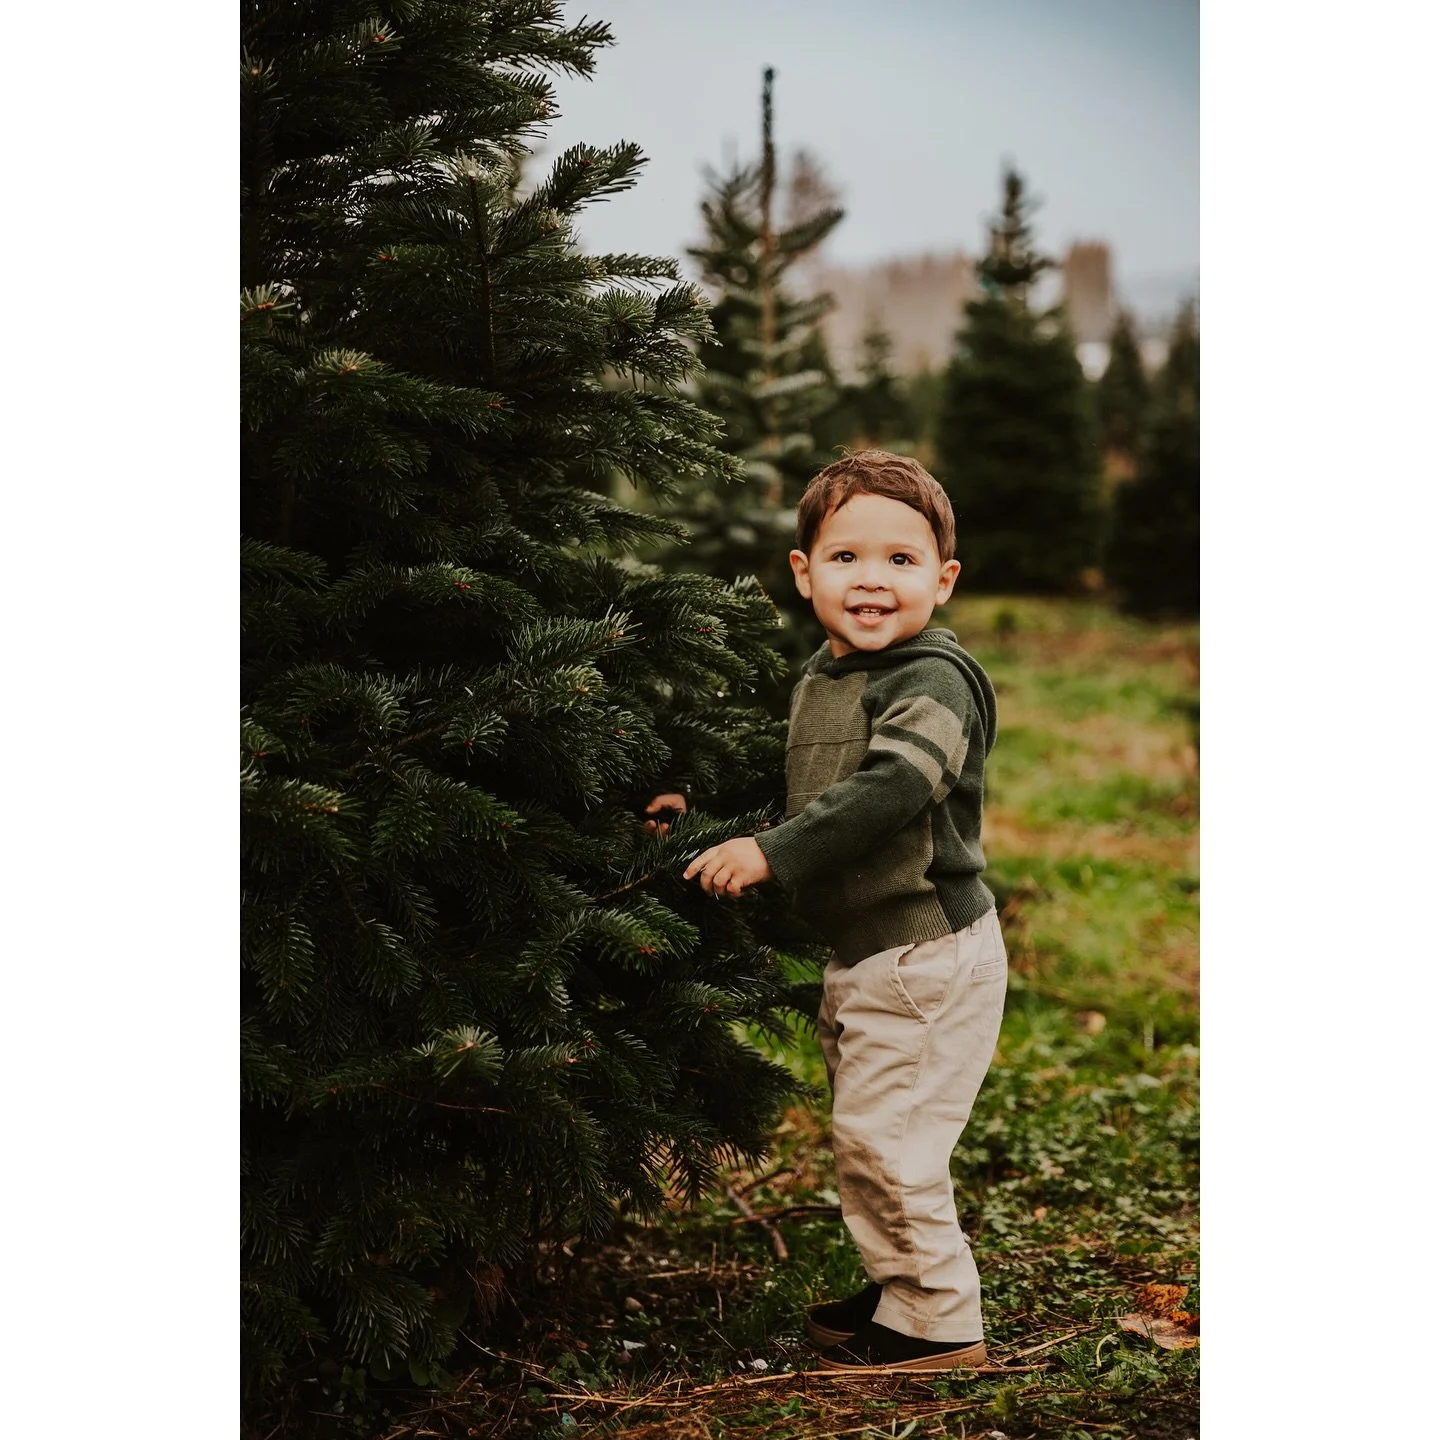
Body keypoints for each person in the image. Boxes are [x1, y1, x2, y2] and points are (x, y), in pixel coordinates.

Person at [654, 450, 1007, 1373]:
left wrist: (772, 854)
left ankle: (939, 1321)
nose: (874, 581)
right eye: (849, 558)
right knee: (870, 1130)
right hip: (872, 955)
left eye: (902, 561)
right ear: (805, 572)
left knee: (890, 1141)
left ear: (944, 578)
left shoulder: (932, 679)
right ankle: (902, 1287)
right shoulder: (830, 671)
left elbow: (893, 787)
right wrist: (705, 811)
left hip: (924, 954)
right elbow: (806, 778)